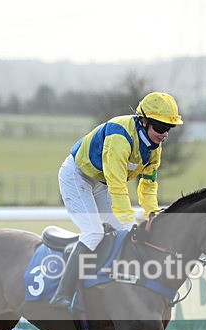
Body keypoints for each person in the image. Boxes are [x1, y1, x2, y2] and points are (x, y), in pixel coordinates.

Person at [50, 91, 183, 310]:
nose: (164, 134)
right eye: (159, 128)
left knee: (121, 231)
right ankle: (62, 293)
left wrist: (153, 215)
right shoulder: (119, 137)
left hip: (100, 182)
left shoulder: (153, 150)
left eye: (168, 129)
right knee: (94, 232)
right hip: (77, 176)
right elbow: (117, 184)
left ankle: (108, 288)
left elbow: (148, 186)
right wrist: (130, 222)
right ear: (143, 121)